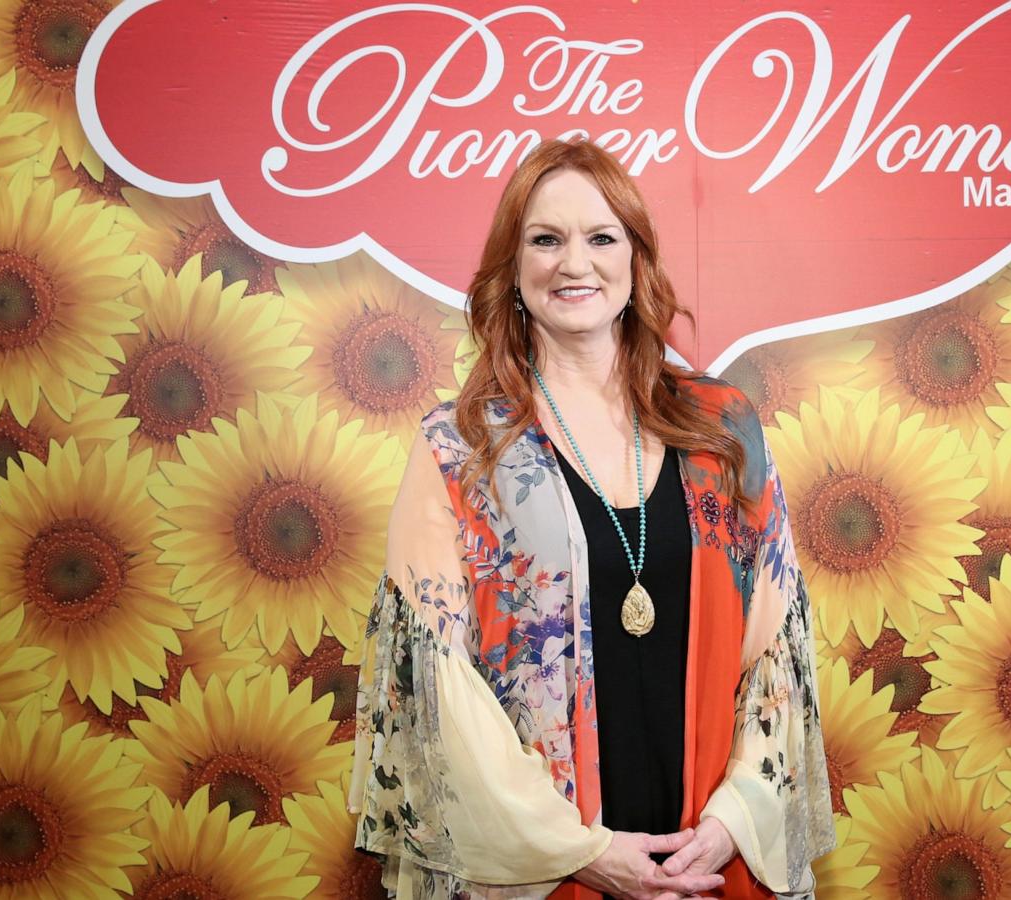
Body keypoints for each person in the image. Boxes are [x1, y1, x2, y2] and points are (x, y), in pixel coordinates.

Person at [348, 138, 833, 899]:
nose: (575, 263)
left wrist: (734, 823)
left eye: (601, 238)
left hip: (707, 857)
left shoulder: (724, 427)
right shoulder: (458, 449)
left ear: (636, 262)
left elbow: (777, 652)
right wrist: (580, 851)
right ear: (512, 273)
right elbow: (440, 696)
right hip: (555, 867)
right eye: (545, 240)